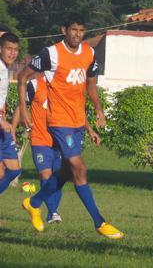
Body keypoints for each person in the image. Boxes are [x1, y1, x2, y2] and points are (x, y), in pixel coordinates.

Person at [18, 13, 123, 239]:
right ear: (64, 30)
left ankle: (33, 202)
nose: (77, 34)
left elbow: (91, 85)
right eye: (73, 29)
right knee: (80, 167)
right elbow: (22, 76)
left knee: (66, 172)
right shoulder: (52, 53)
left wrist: (97, 109)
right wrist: (25, 112)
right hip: (59, 121)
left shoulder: (89, 53)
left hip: (77, 122)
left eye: (81, 30)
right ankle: (99, 221)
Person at [12, 73, 102, 223]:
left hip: (60, 141)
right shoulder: (35, 84)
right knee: (45, 175)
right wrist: (13, 129)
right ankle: (53, 212)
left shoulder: (64, 88)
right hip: (40, 140)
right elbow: (21, 107)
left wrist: (90, 130)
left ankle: (44, 209)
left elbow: (78, 113)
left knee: (59, 177)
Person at [0, 33, 21, 195]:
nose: (12, 53)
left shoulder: (5, 69)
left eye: (15, 49)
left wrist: (8, 125)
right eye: (8, 49)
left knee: (13, 170)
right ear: (0, 49)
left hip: (2, 129)